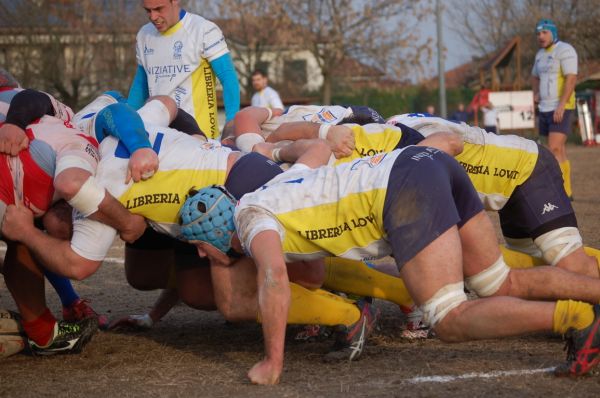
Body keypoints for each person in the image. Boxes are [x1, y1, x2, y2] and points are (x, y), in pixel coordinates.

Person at [1, 97, 381, 361]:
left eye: (48, 214)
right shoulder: (113, 130)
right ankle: (367, 301)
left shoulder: (88, 186)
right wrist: (153, 315)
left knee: (283, 281)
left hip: (229, 189)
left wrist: (28, 233)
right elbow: (162, 103)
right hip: (206, 198)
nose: (49, 221)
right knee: (155, 276)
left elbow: (97, 243)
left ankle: (353, 313)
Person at [184, 146, 600, 384]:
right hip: (427, 160)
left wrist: (273, 362)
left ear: (219, 228)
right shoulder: (272, 188)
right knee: (499, 282)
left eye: (201, 246)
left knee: (447, 317)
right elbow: (318, 150)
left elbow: (274, 278)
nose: (202, 256)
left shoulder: (249, 219)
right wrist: (273, 151)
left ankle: (576, 319)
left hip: (403, 186)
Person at [388, 113, 600, 279]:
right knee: (532, 268)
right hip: (507, 185)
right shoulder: (393, 128)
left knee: (570, 264)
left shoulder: (397, 144)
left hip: (526, 168)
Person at [127, 0, 240, 140]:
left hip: (200, 137)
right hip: (159, 136)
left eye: (159, 9)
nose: (153, 16)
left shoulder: (203, 30)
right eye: (148, 11)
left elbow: (228, 77)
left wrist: (231, 124)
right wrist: (126, 121)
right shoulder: (144, 35)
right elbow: (140, 85)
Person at [531, 19, 578, 199]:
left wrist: (561, 104)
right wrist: (536, 93)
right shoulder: (540, 54)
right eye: (538, 33)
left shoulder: (565, 50)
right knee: (559, 150)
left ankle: (558, 190)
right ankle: (567, 190)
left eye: (544, 33)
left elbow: (571, 79)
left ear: (553, 33)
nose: (540, 37)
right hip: (544, 108)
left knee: (553, 148)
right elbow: (534, 77)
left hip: (561, 107)